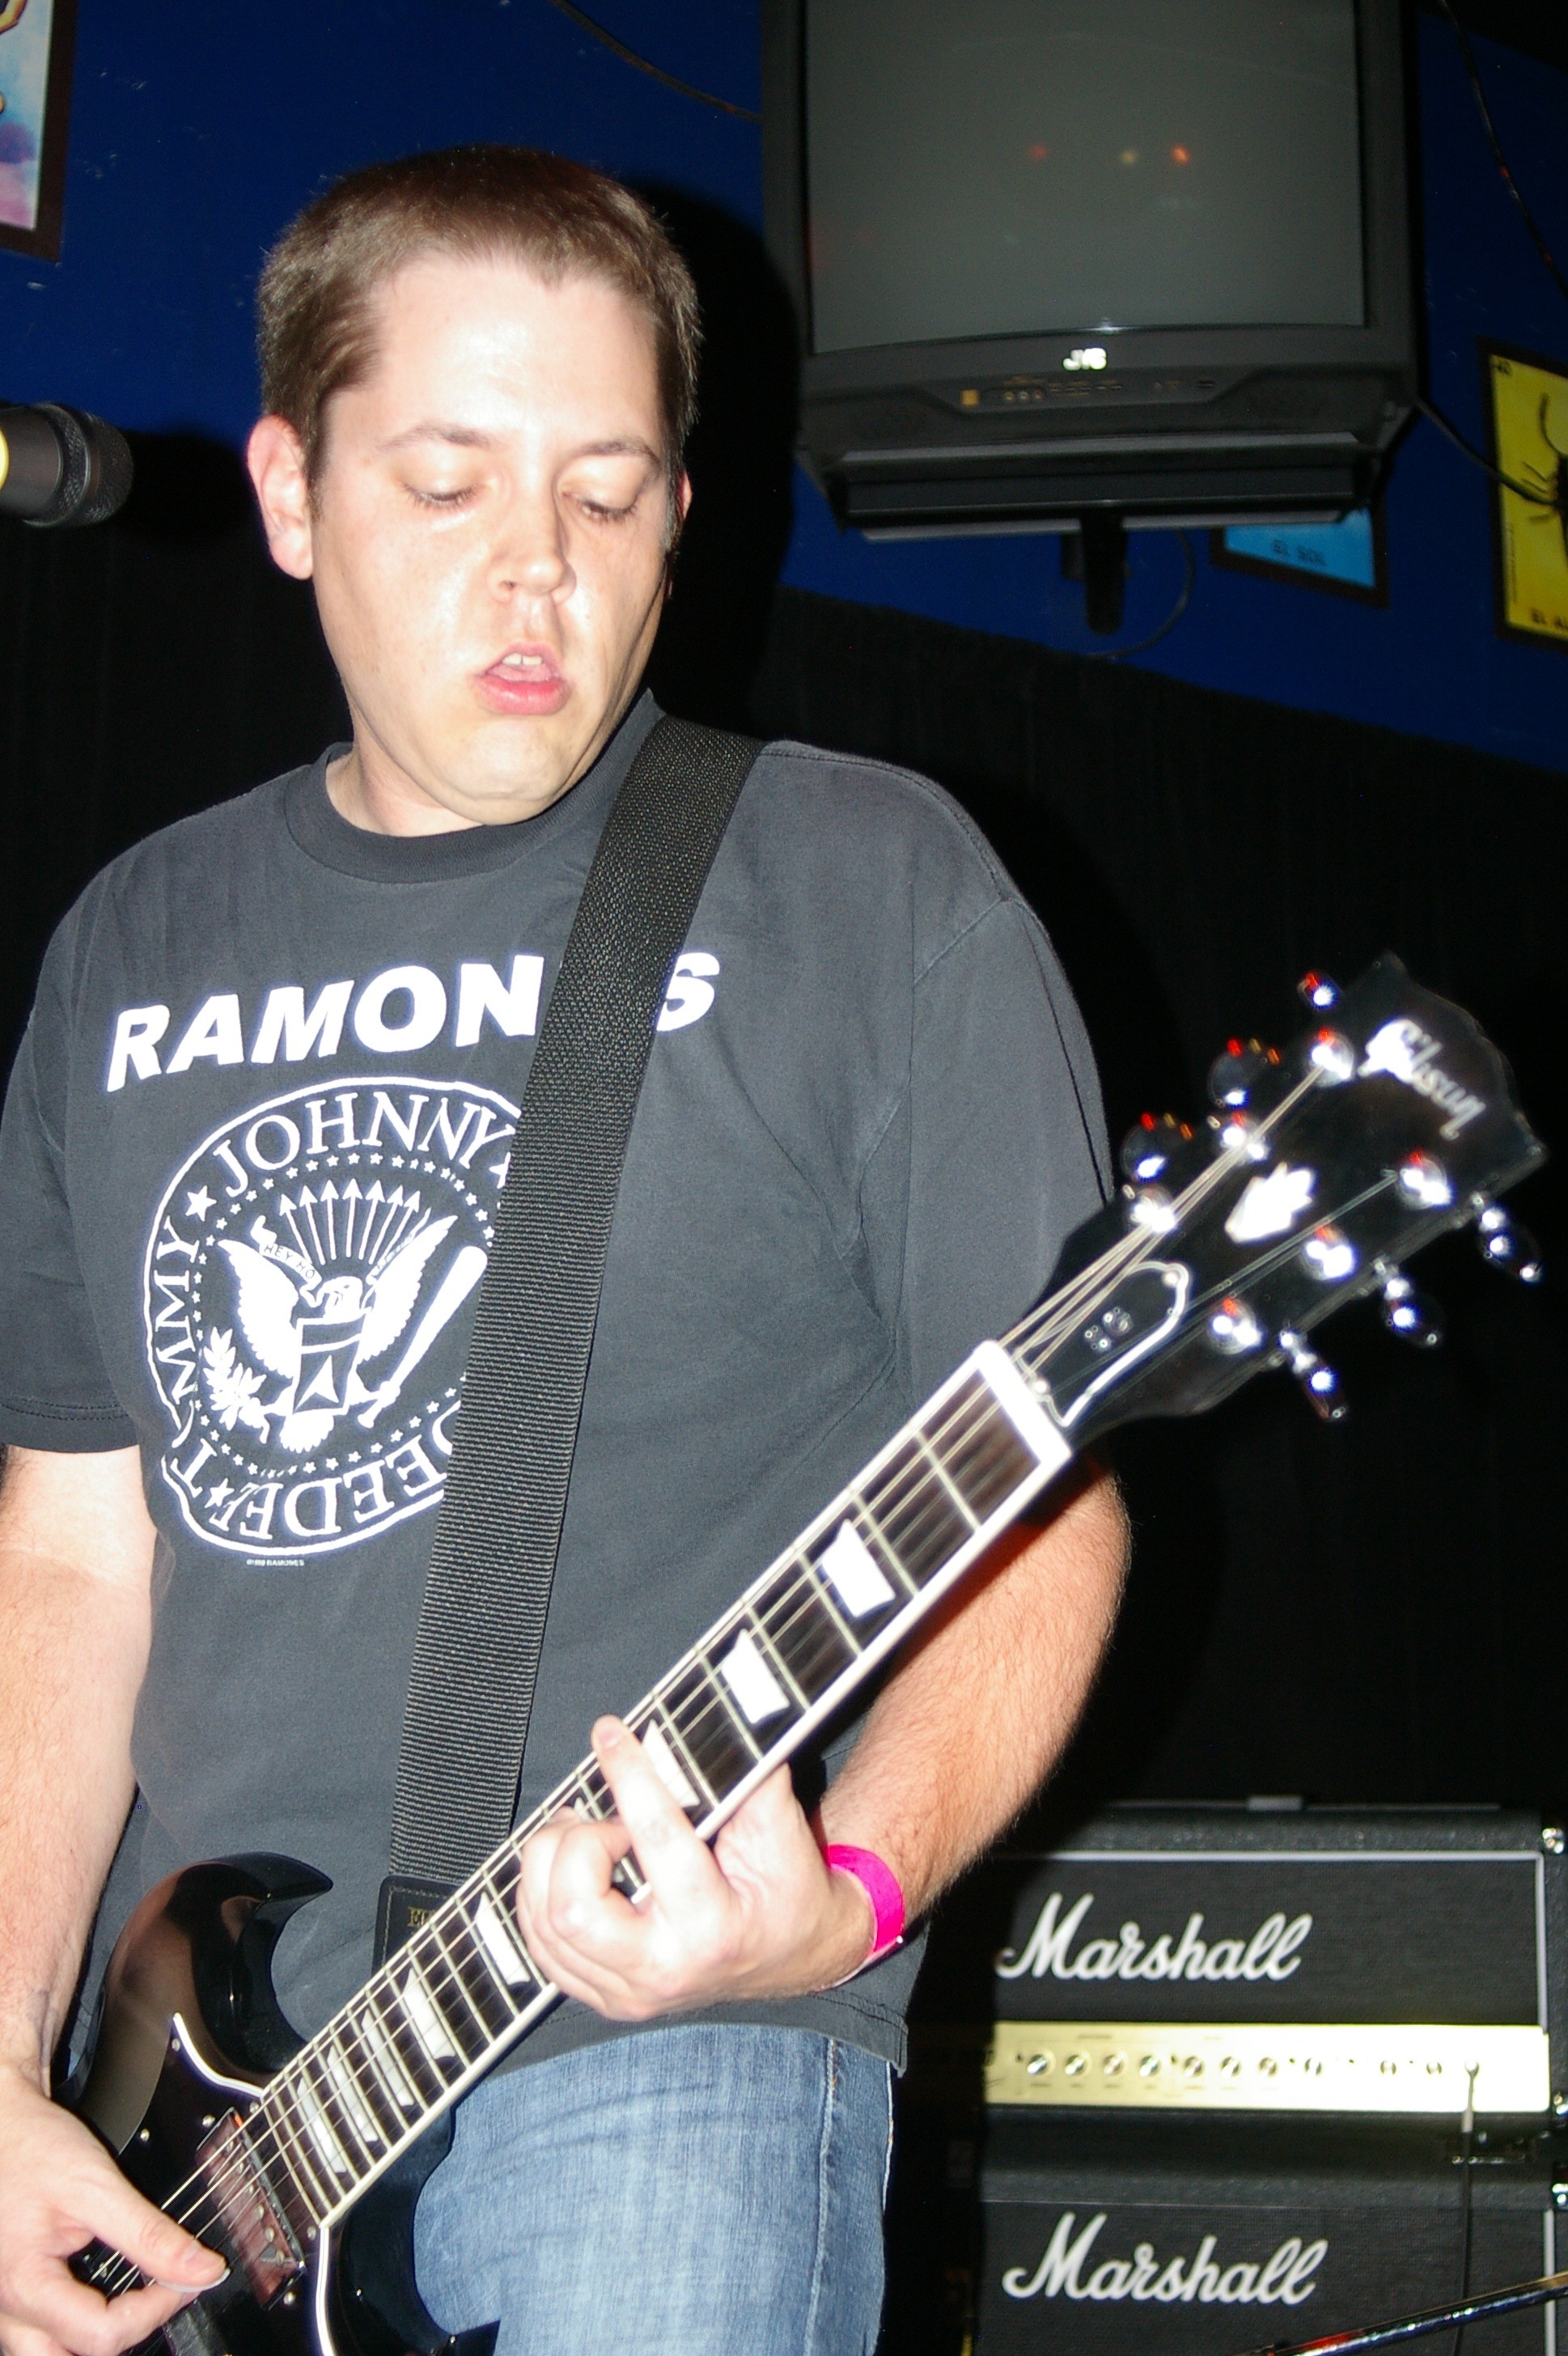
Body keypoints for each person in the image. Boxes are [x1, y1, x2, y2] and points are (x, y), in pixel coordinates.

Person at [0, 146, 1129, 2356]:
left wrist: (848, 1896)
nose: (539, 569)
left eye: (609, 496)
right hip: (195, 2107)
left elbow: (1042, 1492)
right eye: (446, 485)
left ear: (682, 518)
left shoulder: (860, 883)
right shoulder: (135, 941)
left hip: (666, 2032)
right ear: (289, 492)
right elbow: (68, 1559)